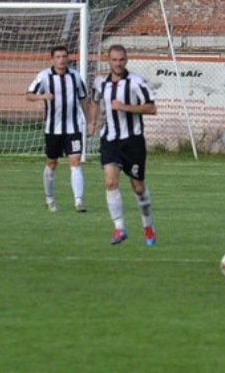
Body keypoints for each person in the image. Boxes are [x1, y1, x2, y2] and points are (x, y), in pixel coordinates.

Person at [89, 44, 158, 246]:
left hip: (133, 141)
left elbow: (152, 108)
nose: (118, 64)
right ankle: (119, 228)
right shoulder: (100, 82)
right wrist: (92, 121)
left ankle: (148, 225)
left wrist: (124, 107)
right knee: (110, 182)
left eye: (121, 60)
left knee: (138, 188)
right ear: (108, 60)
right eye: (114, 60)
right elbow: (94, 101)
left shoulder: (137, 82)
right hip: (109, 140)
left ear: (126, 61)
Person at [26, 45, 90, 213]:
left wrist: (89, 121)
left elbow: (83, 99)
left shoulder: (75, 76)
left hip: (73, 127)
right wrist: (42, 96)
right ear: (52, 59)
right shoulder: (44, 76)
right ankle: (50, 199)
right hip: (53, 129)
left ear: (68, 58)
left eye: (64, 56)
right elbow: (28, 95)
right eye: (58, 57)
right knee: (52, 163)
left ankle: (78, 201)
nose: (62, 60)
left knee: (75, 162)